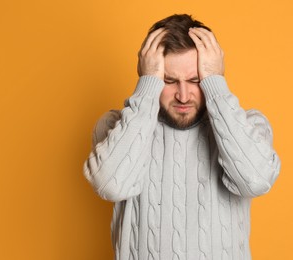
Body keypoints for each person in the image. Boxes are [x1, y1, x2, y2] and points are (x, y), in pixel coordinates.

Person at [84, 14, 281, 260]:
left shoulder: (249, 125)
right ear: (151, 77)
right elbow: (111, 185)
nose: (184, 95)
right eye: (169, 81)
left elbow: (256, 181)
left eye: (195, 80)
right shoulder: (116, 127)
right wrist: (146, 89)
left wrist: (216, 85)